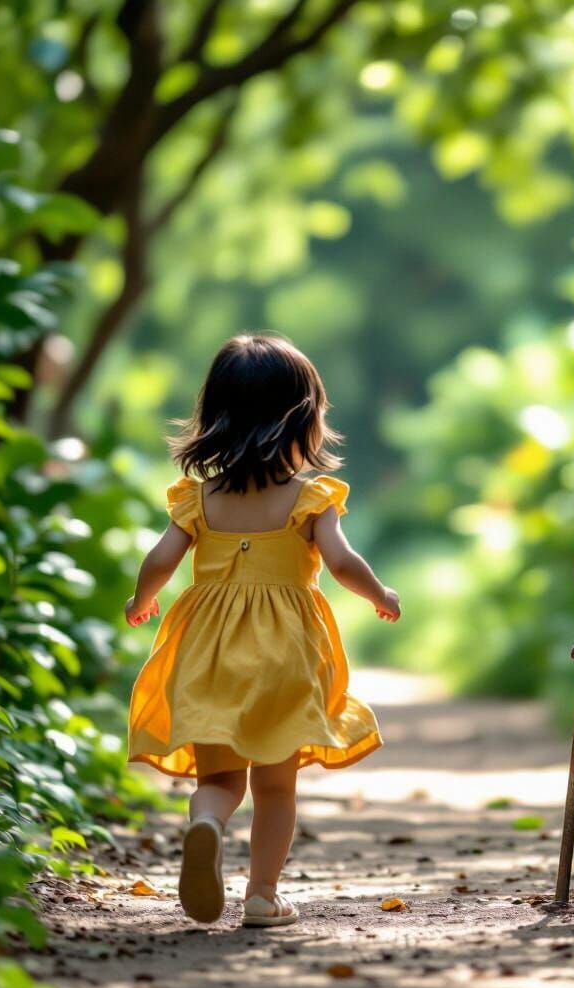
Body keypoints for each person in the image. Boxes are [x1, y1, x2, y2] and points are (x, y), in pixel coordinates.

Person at [124, 332, 399, 928]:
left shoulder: (198, 498)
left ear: (216, 417)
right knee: (276, 786)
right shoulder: (310, 496)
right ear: (303, 419)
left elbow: (159, 561)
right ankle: (262, 895)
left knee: (220, 777)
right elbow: (343, 562)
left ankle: (206, 823)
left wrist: (141, 599)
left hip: (209, 652)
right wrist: (381, 594)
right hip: (284, 655)